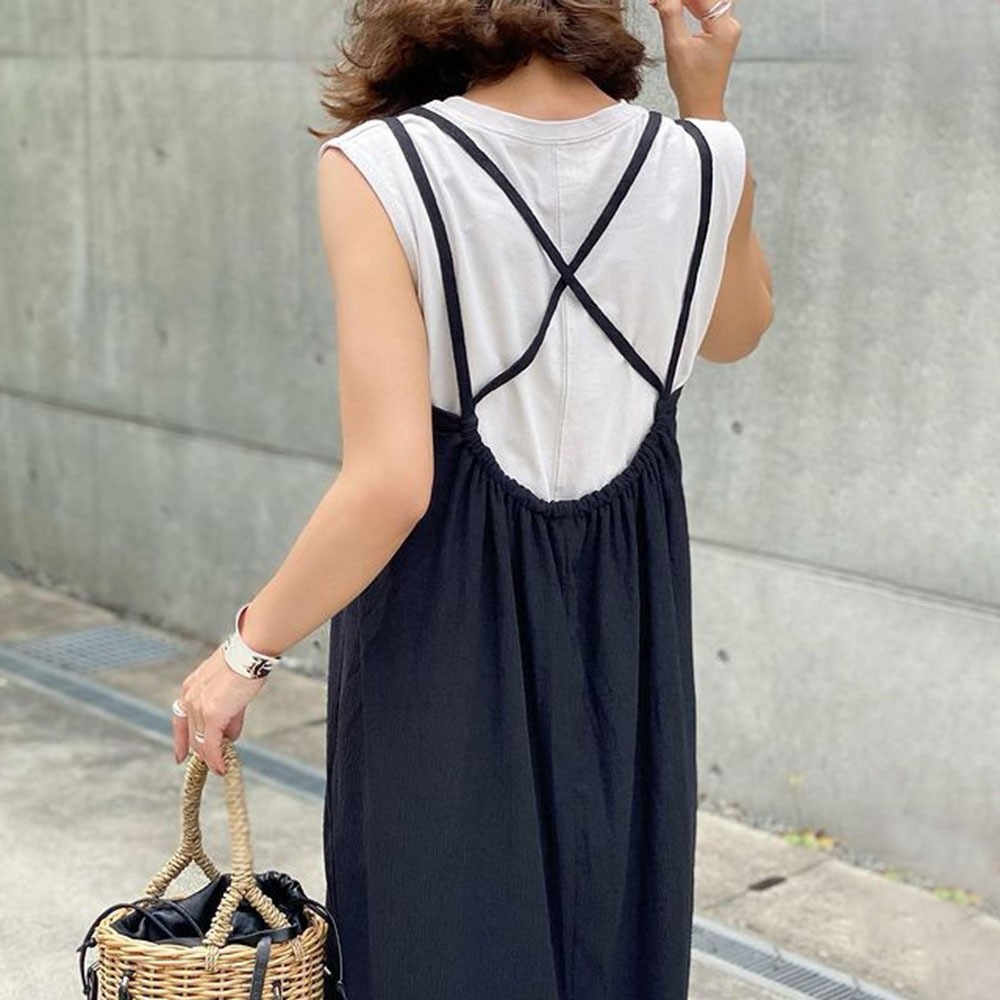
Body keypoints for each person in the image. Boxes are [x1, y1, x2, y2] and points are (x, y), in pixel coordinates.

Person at [170, 1, 773, 997]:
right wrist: (706, 111)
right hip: (629, 623)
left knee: (439, 943)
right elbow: (737, 331)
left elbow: (392, 481)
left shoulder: (382, 165)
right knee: (614, 937)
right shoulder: (700, 154)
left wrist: (243, 654)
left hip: (444, 622)